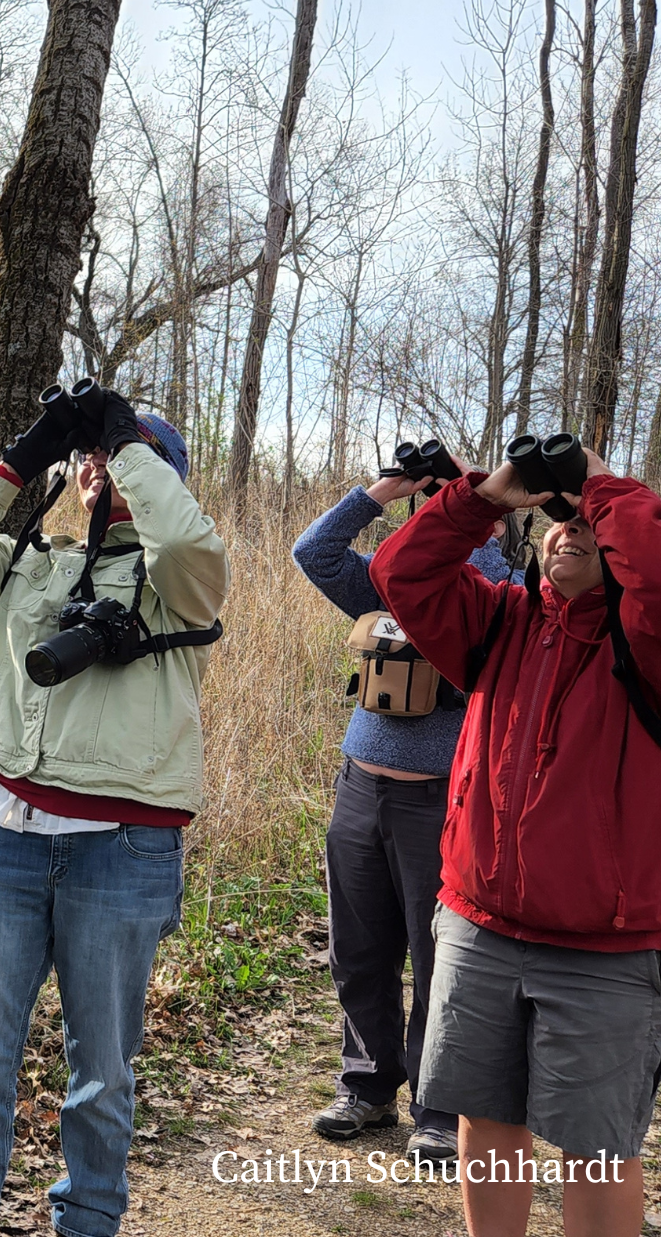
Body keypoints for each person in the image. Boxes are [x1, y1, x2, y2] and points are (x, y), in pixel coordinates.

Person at [0, 387, 228, 1237]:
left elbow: (188, 537)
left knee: (102, 1070)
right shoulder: (32, 562)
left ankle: (87, 1221)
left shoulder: (180, 584)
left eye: (121, 457)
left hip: (119, 850)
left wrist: (129, 442)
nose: (100, 466)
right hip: (2, 838)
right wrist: (34, 447)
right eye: (90, 458)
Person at [371, 446, 661, 1237]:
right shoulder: (499, 617)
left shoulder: (646, 637)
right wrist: (489, 495)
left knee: (597, 1149)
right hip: (480, 922)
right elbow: (399, 571)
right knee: (487, 1113)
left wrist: (604, 486)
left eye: (589, 522)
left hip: (606, 945)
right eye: (557, 517)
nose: (570, 529)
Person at [291, 466, 520, 1165]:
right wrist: (384, 491)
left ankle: (440, 1107)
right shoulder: (382, 585)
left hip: (441, 793)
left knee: (439, 958)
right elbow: (315, 551)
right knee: (358, 948)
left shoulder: (495, 595)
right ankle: (366, 1085)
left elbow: (478, 567)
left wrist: (469, 503)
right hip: (360, 784)